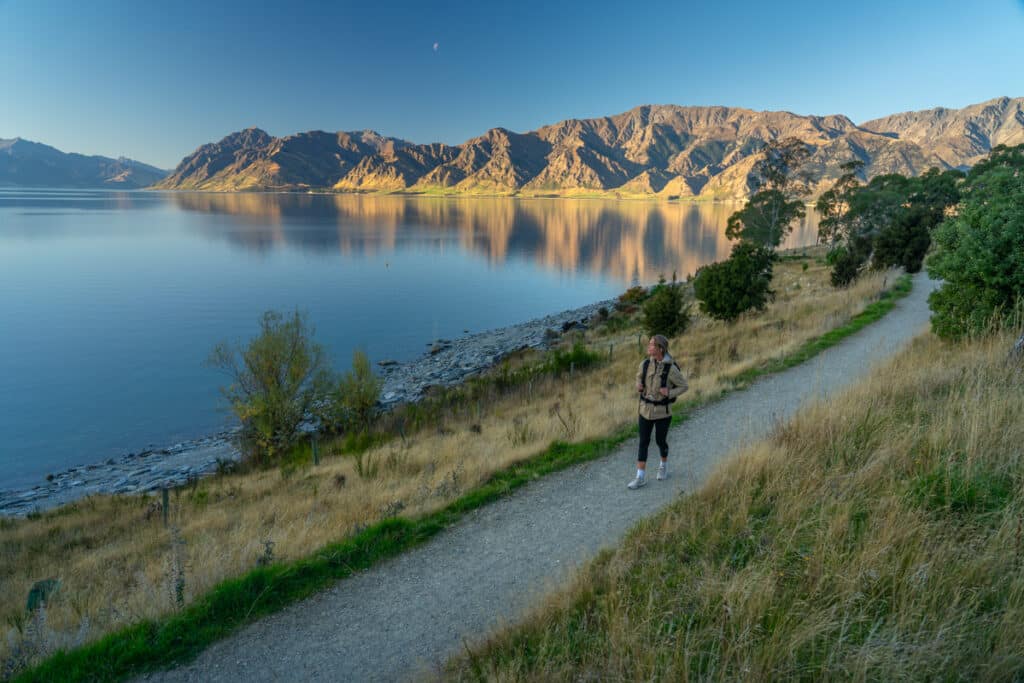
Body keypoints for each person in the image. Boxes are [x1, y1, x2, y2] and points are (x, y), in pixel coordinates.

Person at [629, 334, 688, 489]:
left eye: (652, 345)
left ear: (660, 348)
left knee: (660, 441)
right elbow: (638, 377)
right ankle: (640, 477)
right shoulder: (645, 364)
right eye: (649, 344)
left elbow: (684, 386)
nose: (648, 347)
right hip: (644, 410)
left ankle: (663, 465)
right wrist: (638, 385)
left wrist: (669, 392)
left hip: (663, 412)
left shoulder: (671, 369)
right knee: (643, 442)